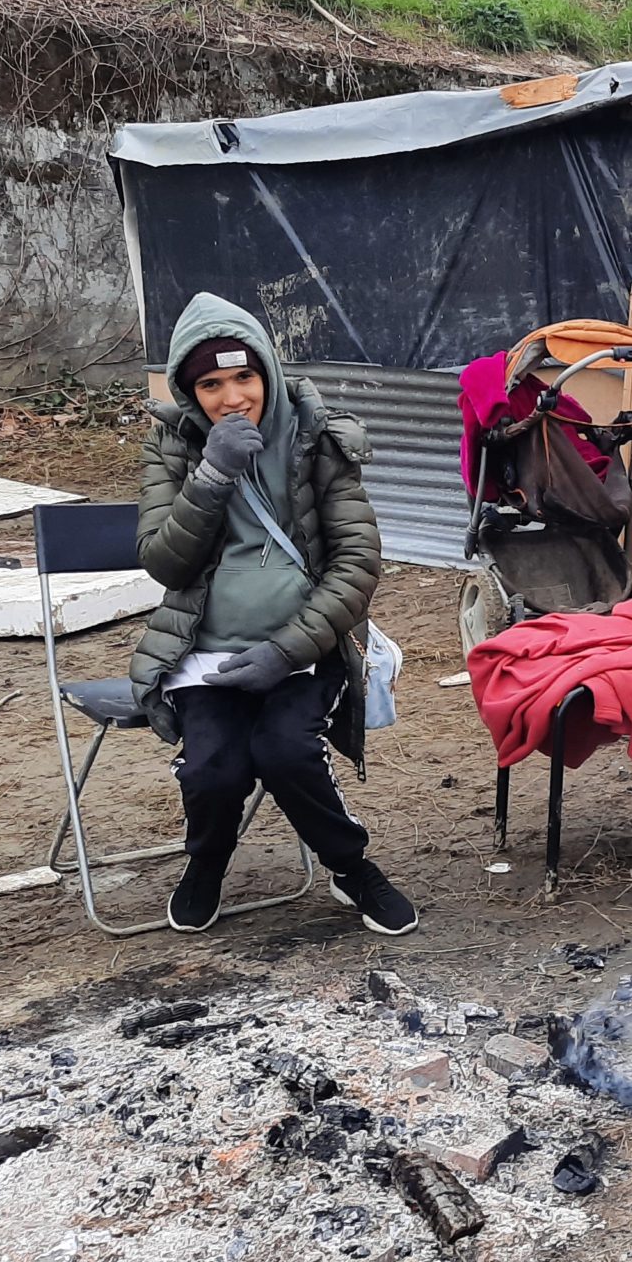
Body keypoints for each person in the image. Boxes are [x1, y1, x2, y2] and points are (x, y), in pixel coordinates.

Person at [128, 291, 417, 938]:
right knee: (213, 768)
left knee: (285, 751)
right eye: (210, 384)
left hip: (305, 651)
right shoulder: (172, 448)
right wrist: (211, 475)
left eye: (243, 377)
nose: (231, 397)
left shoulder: (317, 438)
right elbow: (165, 564)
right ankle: (206, 864)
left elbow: (357, 565)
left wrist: (286, 652)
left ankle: (350, 868)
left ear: (267, 373)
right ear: (187, 389)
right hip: (208, 655)